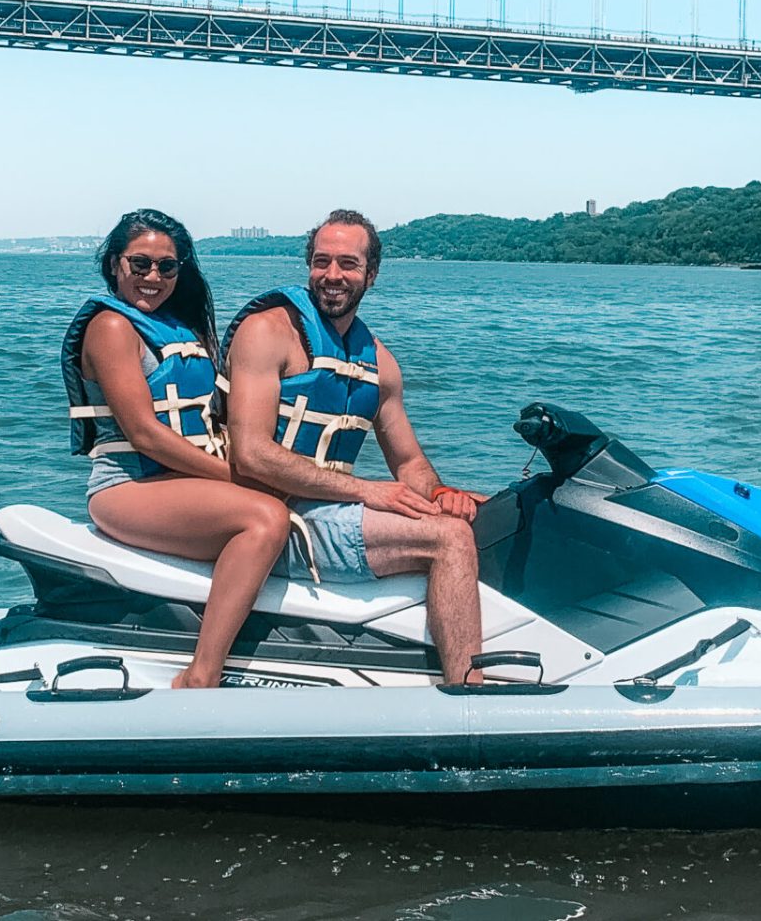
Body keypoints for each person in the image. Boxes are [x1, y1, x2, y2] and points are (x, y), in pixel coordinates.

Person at [222, 209, 488, 684]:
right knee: (450, 539)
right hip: (274, 521)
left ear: (371, 274)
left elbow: (408, 462)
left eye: (347, 263)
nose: (332, 276)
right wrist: (366, 490)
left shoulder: (379, 362)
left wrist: (442, 494)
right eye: (321, 261)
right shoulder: (267, 332)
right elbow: (250, 453)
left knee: (474, 519)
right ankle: (468, 696)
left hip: (327, 512)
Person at [62, 208, 290, 689]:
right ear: (114, 265)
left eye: (167, 266)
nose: (153, 277)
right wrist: (235, 475)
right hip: (127, 486)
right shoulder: (111, 328)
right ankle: (202, 674)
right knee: (264, 516)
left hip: (181, 482)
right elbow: (143, 434)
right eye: (139, 264)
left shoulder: (181, 327)